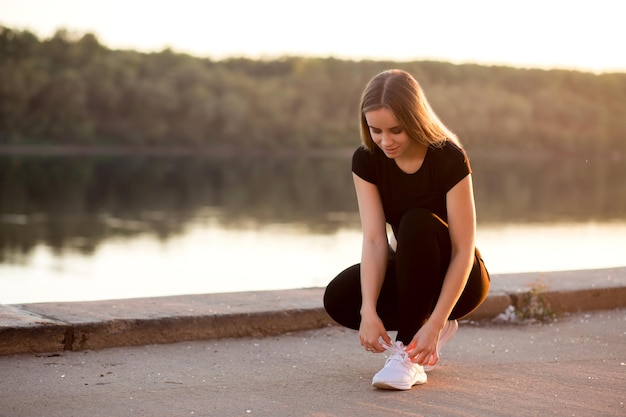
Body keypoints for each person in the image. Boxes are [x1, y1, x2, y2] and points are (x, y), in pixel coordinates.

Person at [323, 69, 490, 390]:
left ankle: (409, 354)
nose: (386, 141)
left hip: (462, 277)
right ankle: (419, 331)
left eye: (395, 130)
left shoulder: (448, 157)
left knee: (417, 221)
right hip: (412, 272)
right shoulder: (367, 161)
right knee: (340, 297)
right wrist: (368, 310)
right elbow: (374, 240)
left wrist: (438, 322)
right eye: (376, 131)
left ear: (414, 120)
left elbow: (463, 249)